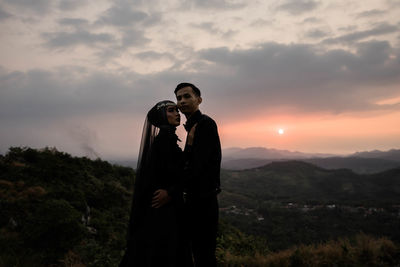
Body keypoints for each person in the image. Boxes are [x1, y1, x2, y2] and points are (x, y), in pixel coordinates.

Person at [120, 100, 194, 267]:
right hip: (164, 210)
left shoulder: (166, 140)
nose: (177, 113)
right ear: (161, 116)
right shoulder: (163, 142)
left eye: (176, 110)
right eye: (171, 110)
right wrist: (171, 192)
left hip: (166, 206)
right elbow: (180, 172)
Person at [174, 83, 222, 267]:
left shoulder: (205, 124)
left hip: (203, 200)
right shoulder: (194, 126)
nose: (182, 101)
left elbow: (197, 166)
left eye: (187, 96)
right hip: (195, 200)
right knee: (196, 252)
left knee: (204, 254)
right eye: (179, 98)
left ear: (199, 100)